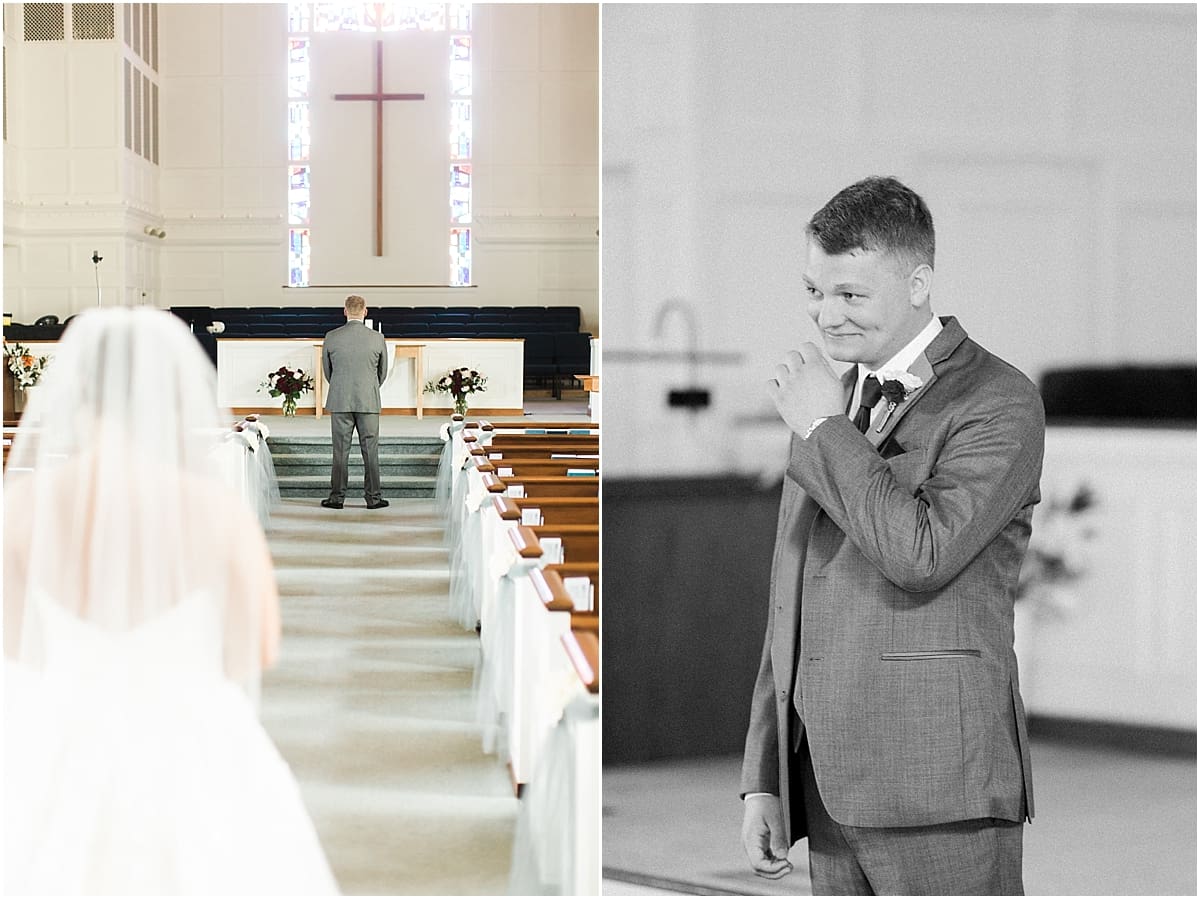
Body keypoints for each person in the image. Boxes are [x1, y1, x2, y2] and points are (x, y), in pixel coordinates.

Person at [740, 176, 1044, 895]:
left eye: (850, 294)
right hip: (824, 776)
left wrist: (824, 430)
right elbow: (791, 593)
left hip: (940, 781)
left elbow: (921, 554)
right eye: (815, 292)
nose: (826, 317)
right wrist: (765, 774)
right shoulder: (835, 398)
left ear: (918, 282)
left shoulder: (998, 400)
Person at [3, 306, 338, 894]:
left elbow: (13, 647)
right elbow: (255, 649)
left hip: (60, 742)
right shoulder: (216, 510)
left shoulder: (23, 510)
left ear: (77, 394)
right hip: (190, 742)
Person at [321, 294, 389, 510]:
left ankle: (336, 498)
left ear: (345, 311)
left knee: (340, 451)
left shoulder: (331, 336)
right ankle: (373, 498)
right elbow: (382, 372)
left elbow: (327, 371)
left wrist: (341, 386)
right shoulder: (377, 338)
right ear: (365, 311)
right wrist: (369, 388)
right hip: (368, 400)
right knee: (371, 450)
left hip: (340, 399)